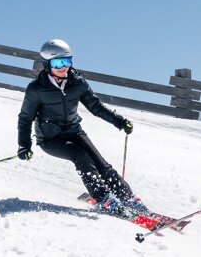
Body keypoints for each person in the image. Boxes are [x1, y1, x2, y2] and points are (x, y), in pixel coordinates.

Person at [16, 39, 139, 214]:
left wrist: (119, 121)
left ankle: (128, 199)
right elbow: (25, 118)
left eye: (67, 61)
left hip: (74, 132)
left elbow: (96, 107)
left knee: (102, 165)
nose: (63, 67)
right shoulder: (36, 89)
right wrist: (24, 145)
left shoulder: (77, 82)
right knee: (80, 156)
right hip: (50, 139)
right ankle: (104, 198)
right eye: (58, 62)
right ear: (46, 63)